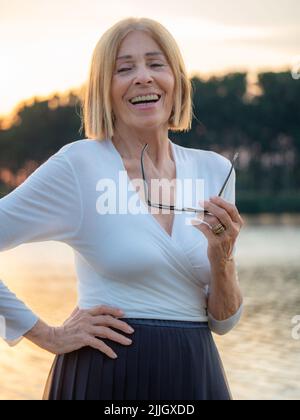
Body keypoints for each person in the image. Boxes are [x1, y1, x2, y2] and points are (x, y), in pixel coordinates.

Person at [0, 17, 244, 400]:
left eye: (155, 63)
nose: (143, 77)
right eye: (124, 69)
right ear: (104, 89)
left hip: (195, 374)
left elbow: (224, 322)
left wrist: (223, 257)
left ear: (176, 80)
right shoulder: (79, 166)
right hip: (104, 375)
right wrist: (45, 334)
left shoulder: (217, 170)